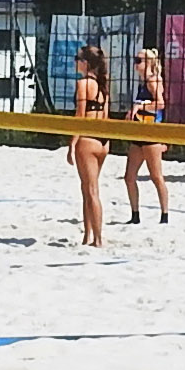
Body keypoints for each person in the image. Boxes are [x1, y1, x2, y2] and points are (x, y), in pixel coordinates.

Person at [66, 44, 112, 247]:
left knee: (91, 191)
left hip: (88, 140)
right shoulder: (103, 86)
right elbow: (106, 117)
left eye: (77, 59)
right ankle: (87, 236)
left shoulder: (84, 84)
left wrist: (72, 143)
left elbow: (80, 115)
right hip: (103, 141)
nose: (75, 62)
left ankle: (98, 239)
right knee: (87, 189)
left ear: (85, 63)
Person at [122, 47, 171, 225]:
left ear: (149, 63)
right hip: (139, 132)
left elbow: (161, 103)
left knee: (156, 176)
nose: (135, 63)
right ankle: (135, 216)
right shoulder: (144, 82)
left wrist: (139, 107)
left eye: (139, 60)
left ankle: (164, 216)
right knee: (129, 177)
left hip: (151, 134)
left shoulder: (153, 80)